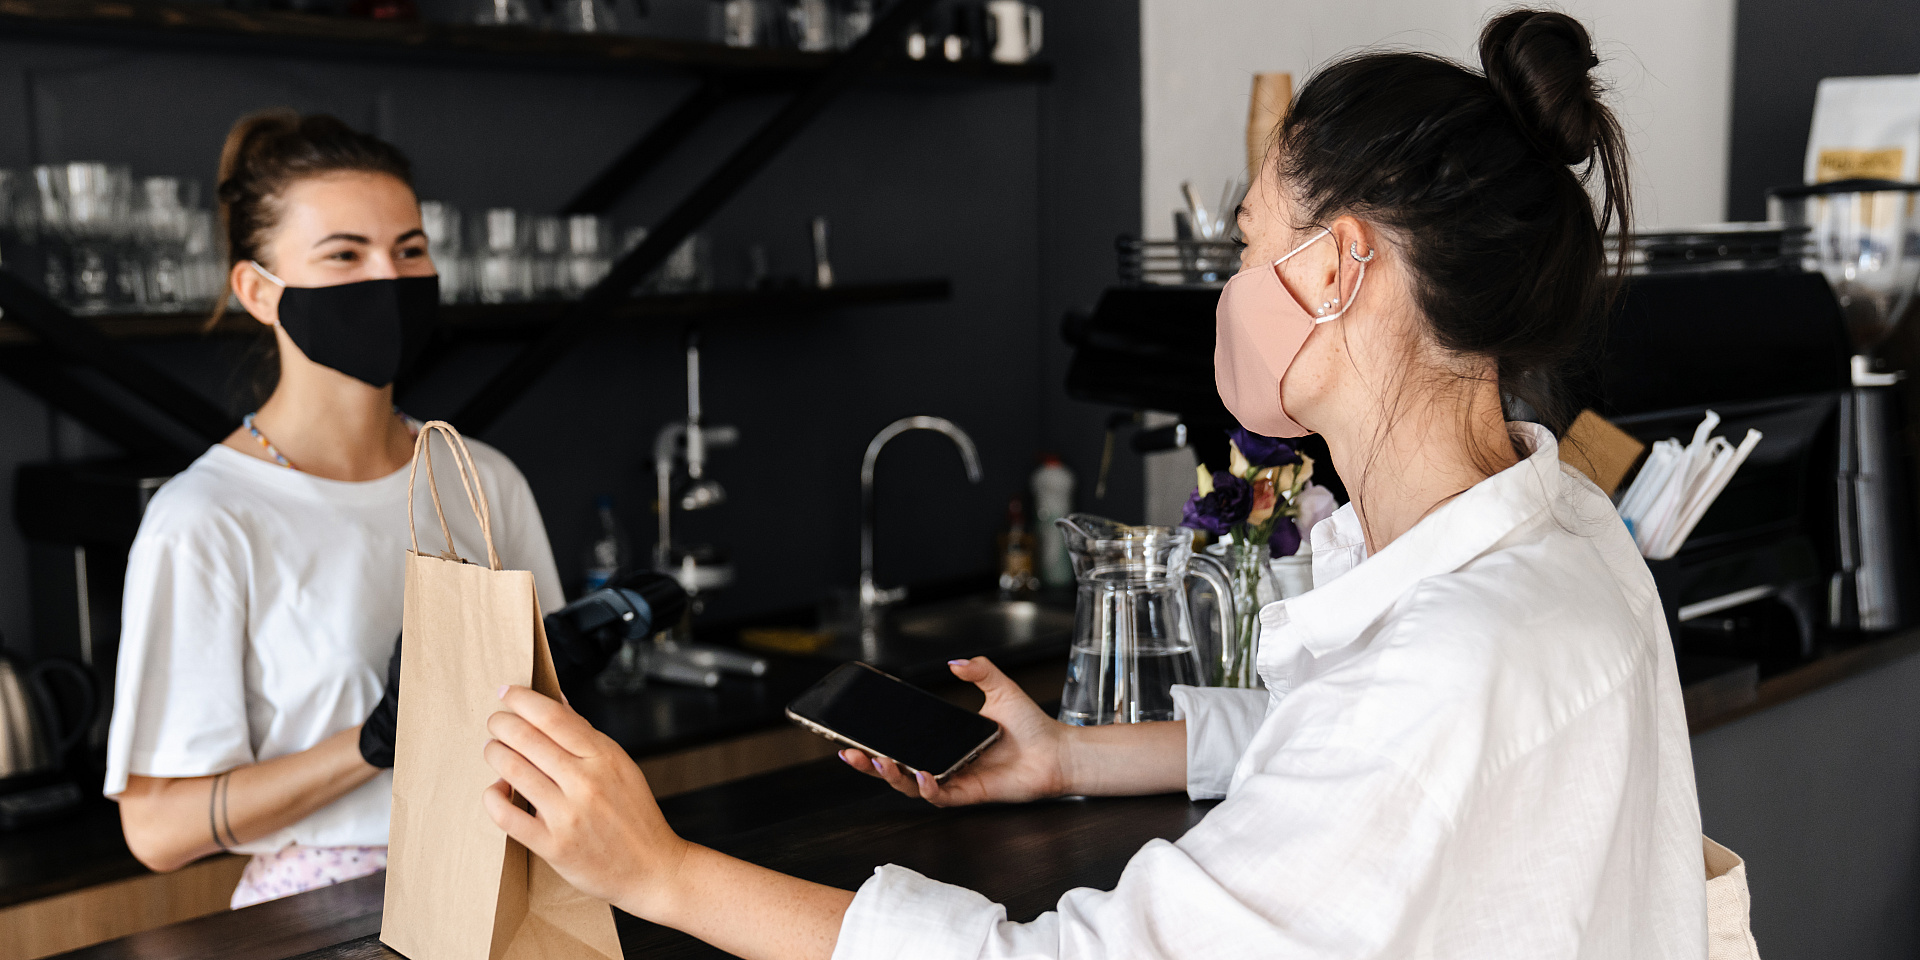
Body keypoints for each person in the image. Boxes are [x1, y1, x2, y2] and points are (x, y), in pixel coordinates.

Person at [479, 9, 1707, 959]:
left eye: (1245, 244)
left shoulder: (1449, 660)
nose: (1228, 287)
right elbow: (1332, 741)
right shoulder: (1567, 533)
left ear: (1340, 268)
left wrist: (659, 870)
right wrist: (1072, 757)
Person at [104, 110, 564, 909]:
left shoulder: (480, 478)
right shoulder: (206, 520)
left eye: (409, 250)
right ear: (257, 289)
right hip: (322, 917)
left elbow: (557, 718)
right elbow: (157, 829)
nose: (387, 277)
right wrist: (375, 742)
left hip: (504, 886)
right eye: (344, 254)